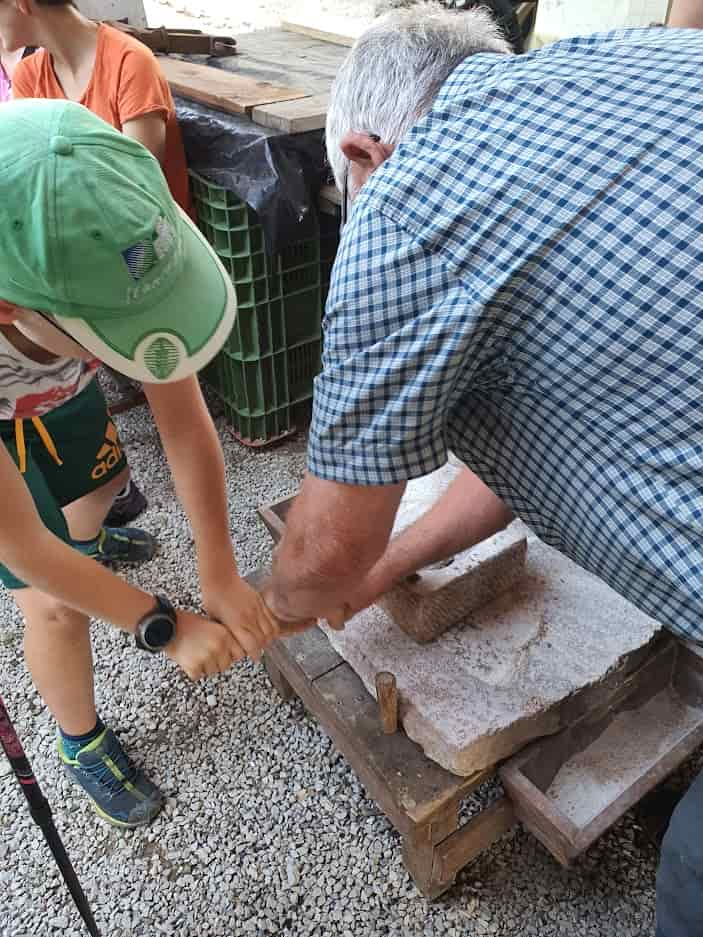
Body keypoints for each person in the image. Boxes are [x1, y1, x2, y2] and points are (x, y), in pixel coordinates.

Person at [260, 8, 703, 936]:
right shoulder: (623, 56)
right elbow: (528, 450)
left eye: (349, 193)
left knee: (692, 880)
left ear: (362, 151)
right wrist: (388, 566)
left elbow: (322, 556)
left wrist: (277, 598)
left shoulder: (409, 198)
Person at [0, 98, 283, 828]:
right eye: (110, 328)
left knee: (97, 490)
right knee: (57, 600)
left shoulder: (85, 190)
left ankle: (92, 548)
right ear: (12, 309)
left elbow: (185, 425)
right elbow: (22, 546)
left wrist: (217, 569)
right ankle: (78, 737)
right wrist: (162, 623)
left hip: (57, 386)